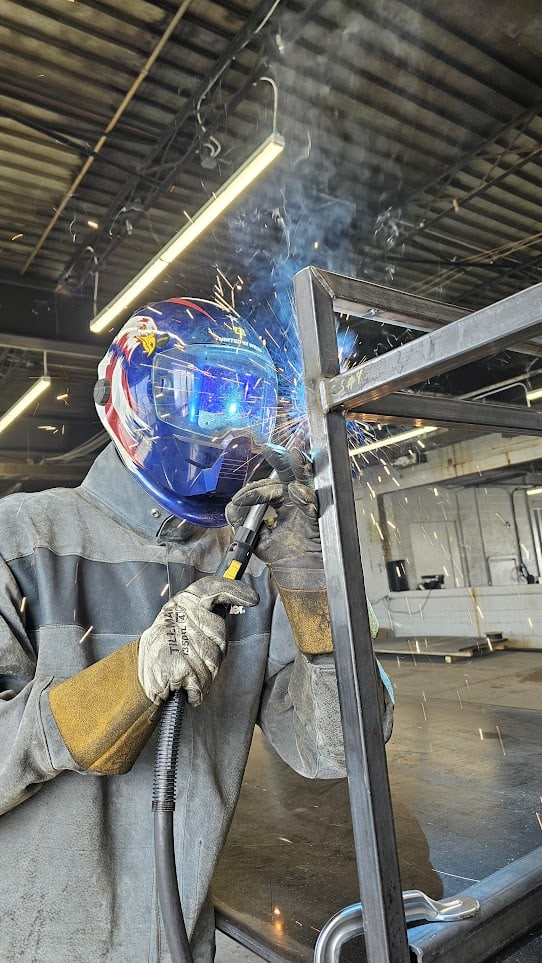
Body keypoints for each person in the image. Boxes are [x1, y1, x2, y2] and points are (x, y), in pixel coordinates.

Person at [0, 298, 393, 963]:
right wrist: (131, 680)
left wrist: (313, 586)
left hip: (182, 943)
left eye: (245, 399)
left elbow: (339, 747)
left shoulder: (252, 565)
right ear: (134, 395)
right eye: (203, 396)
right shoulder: (22, 537)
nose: (229, 424)